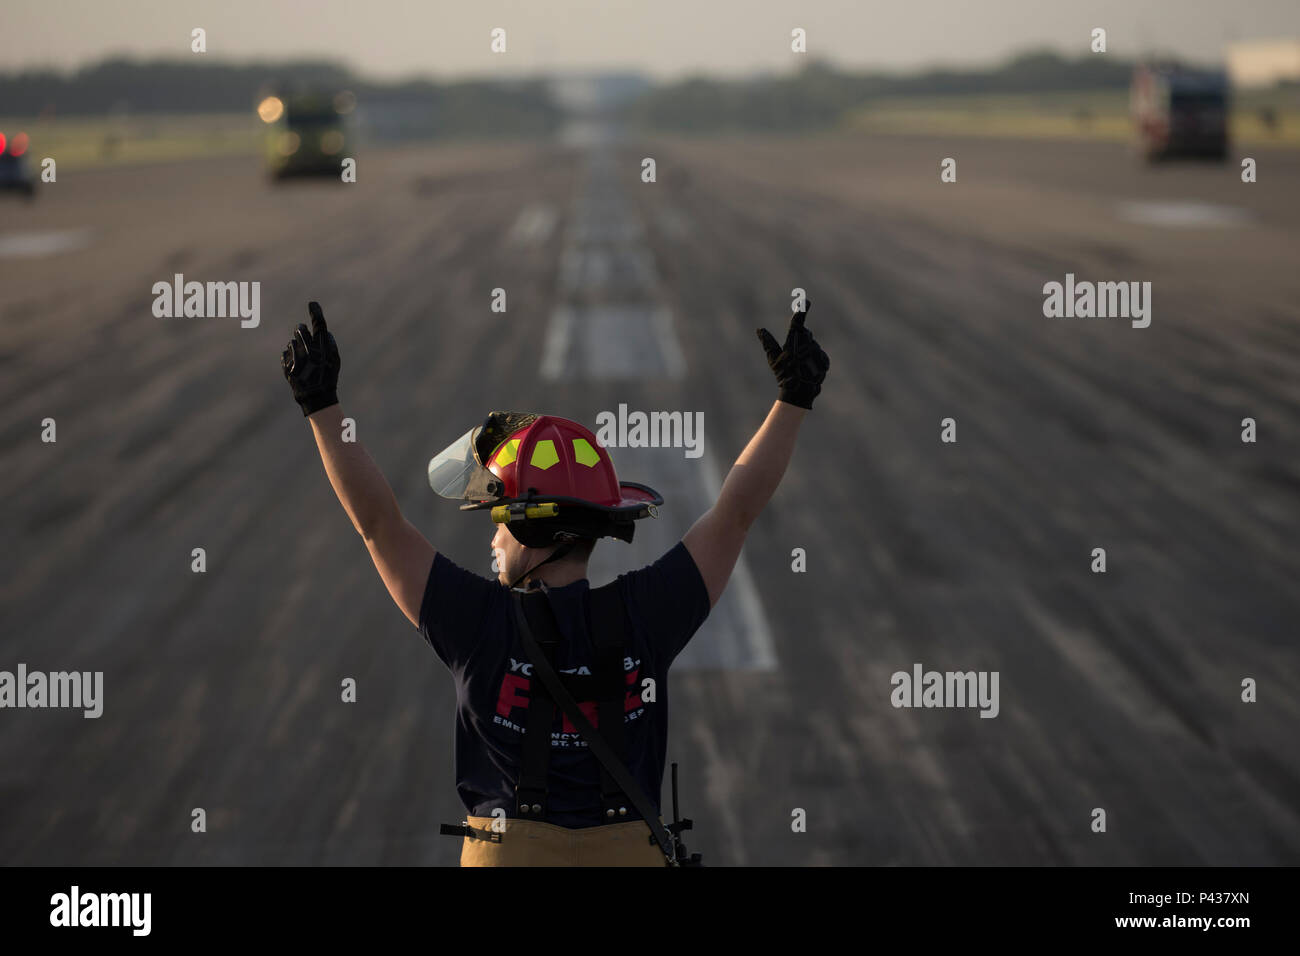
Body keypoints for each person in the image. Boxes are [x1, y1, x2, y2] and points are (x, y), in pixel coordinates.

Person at [281, 300, 829, 866]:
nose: (492, 540)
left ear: (528, 526)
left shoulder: (476, 621)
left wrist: (320, 406)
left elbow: (378, 525)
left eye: (498, 520)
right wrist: (793, 400)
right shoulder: (648, 611)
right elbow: (735, 512)